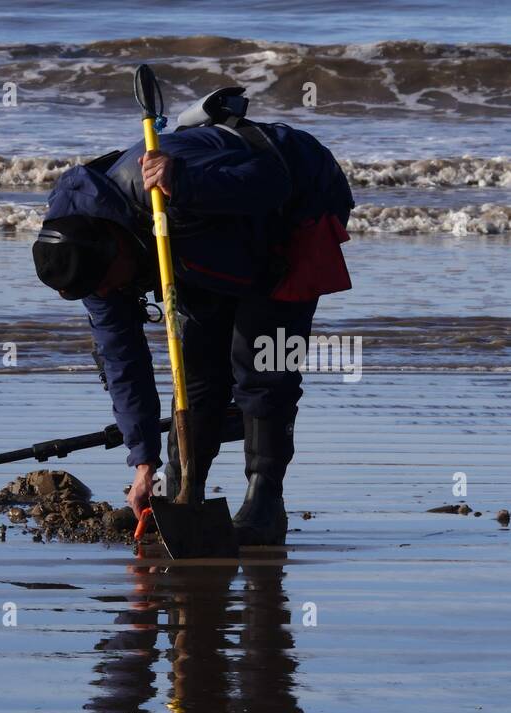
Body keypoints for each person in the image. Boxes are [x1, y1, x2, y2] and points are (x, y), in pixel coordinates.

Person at [32, 88, 354, 545]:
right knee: (199, 369)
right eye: (101, 292)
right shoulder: (89, 265)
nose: (114, 295)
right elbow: (123, 361)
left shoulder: (161, 183)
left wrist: (187, 182)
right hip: (204, 241)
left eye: (113, 283)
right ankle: (186, 490)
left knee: (263, 361)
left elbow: (271, 181)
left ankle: (265, 503)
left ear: (115, 245)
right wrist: (143, 463)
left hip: (295, 198)